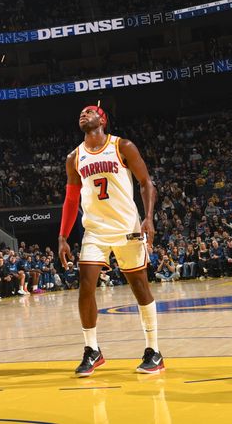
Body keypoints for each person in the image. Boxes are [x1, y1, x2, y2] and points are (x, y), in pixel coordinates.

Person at [59, 104, 164, 377]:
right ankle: (92, 349)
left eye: (89, 111)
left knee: (139, 286)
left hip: (127, 227)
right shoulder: (74, 157)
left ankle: (153, 351)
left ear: (102, 119)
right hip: (95, 230)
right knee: (85, 286)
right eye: (80, 112)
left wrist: (149, 217)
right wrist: (63, 236)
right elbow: (71, 199)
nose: (83, 114)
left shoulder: (122, 146)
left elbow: (146, 182)